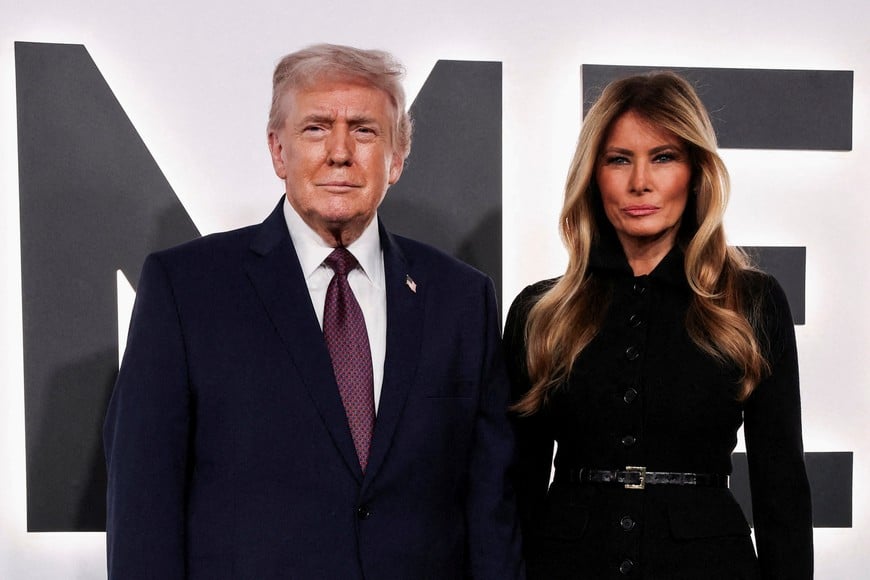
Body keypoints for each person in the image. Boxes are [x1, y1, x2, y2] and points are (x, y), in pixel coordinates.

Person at [104, 43, 524, 579]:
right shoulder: (187, 289)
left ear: (397, 159)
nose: (341, 152)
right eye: (317, 128)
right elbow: (143, 501)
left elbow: (491, 508)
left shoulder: (461, 297)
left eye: (366, 130)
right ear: (278, 151)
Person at [504, 72, 813, 579]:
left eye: (663, 157)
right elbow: (516, 487)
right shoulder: (541, 312)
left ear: (695, 171)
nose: (639, 182)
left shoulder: (750, 302)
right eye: (619, 159)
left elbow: (782, 489)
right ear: (593, 173)